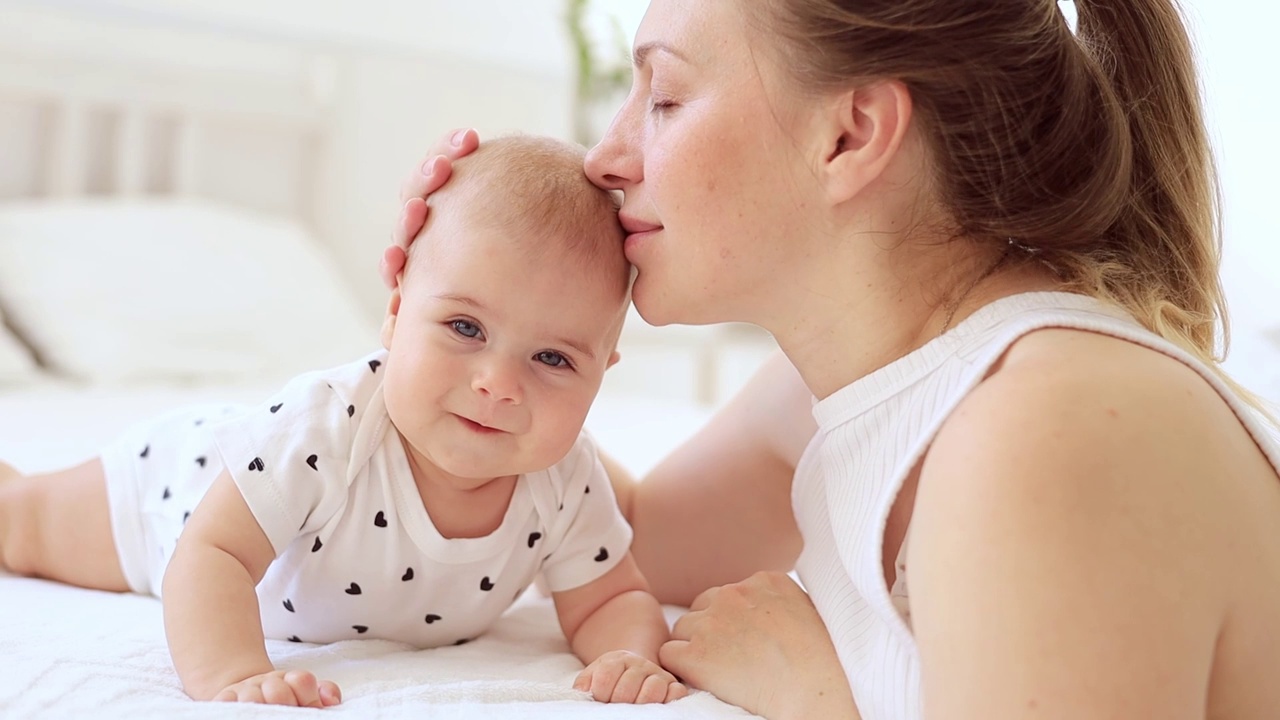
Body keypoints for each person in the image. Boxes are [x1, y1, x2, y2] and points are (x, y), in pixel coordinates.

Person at [381, 2, 1280, 719]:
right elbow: (618, 545)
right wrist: (454, 320)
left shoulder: (1049, 425)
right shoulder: (856, 387)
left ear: (848, 136)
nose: (608, 158)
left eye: (663, 98)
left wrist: (818, 699)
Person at [0, 136, 688, 708]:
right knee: (19, 522)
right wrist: (235, 674)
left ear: (604, 369)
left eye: (551, 357)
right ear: (394, 313)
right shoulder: (328, 427)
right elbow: (211, 556)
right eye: (463, 326)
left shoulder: (565, 478)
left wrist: (628, 655)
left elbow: (611, 597)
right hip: (175, 496)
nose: (498, 384)